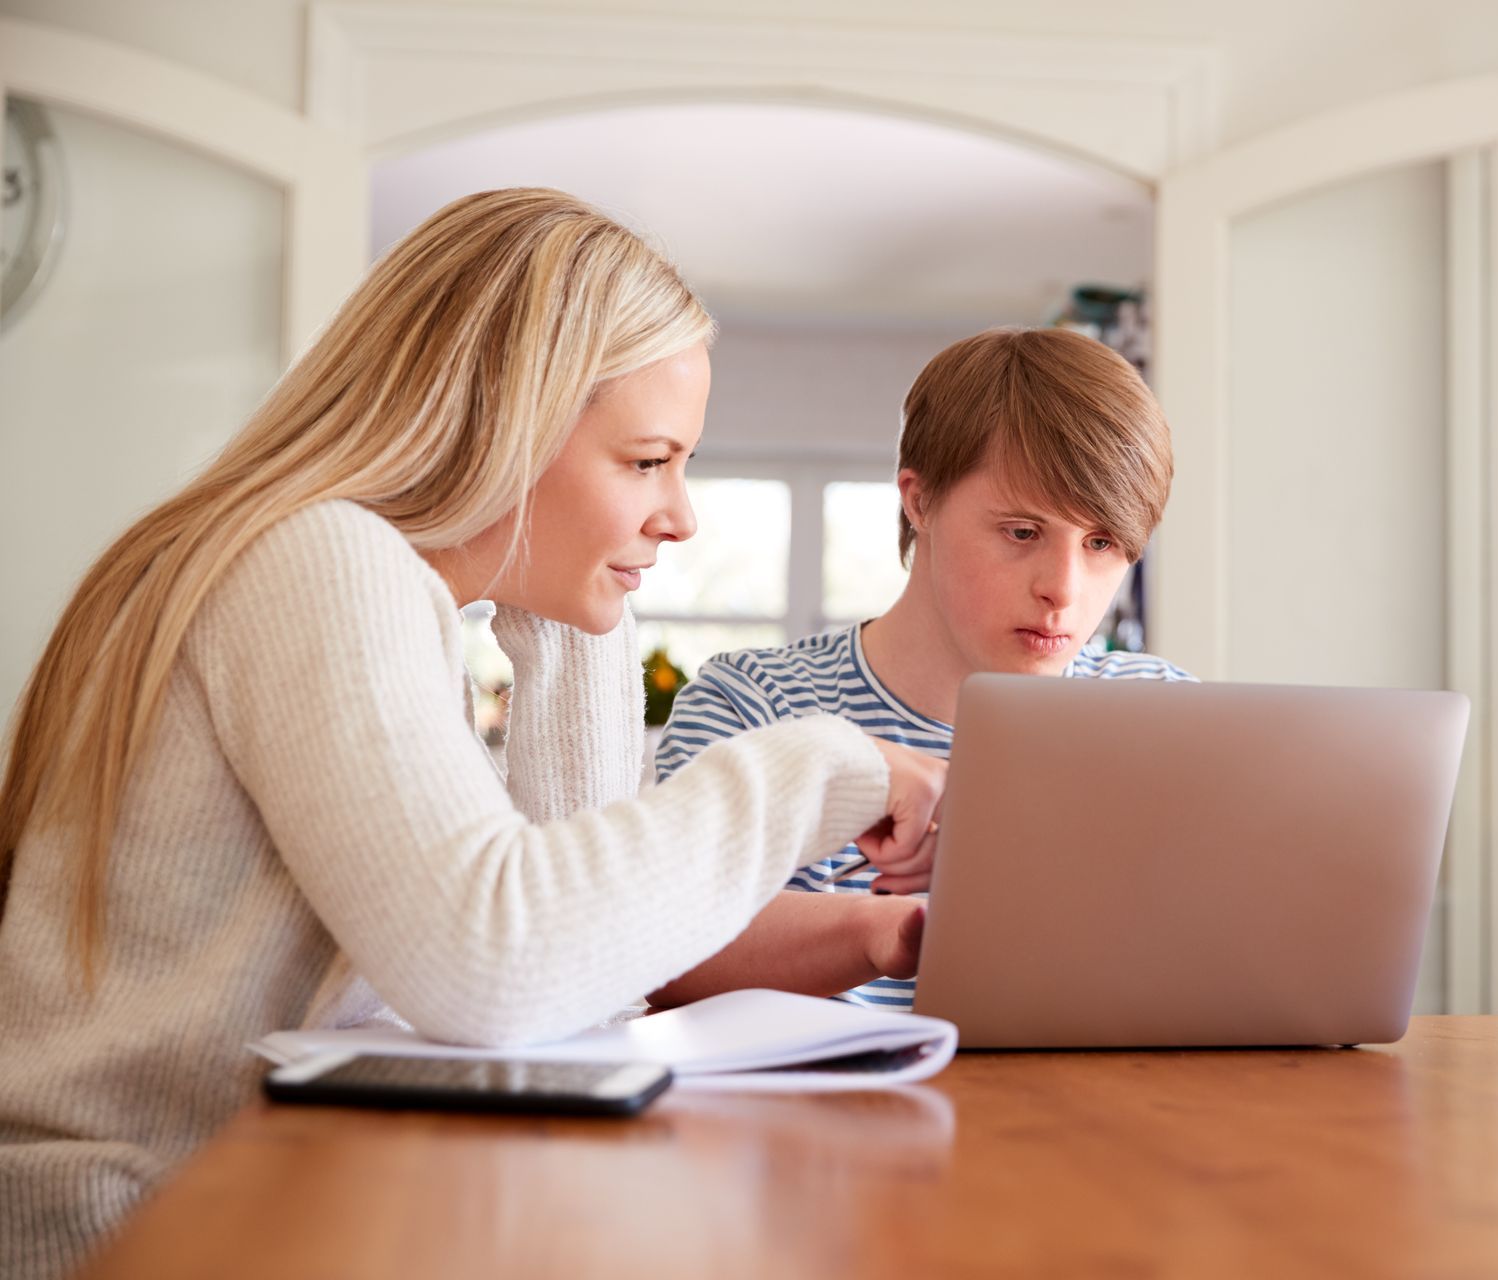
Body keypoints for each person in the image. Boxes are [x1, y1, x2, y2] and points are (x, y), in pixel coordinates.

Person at [0, 188, 945, 1279]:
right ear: (500, 426)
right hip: (127, 1231)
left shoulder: (359, 573)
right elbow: (495, 964)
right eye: (646, 460)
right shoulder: (317, 557)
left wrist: (582, 606)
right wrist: (821, 763)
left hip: (241, 1197)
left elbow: (582, 988)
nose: (681, 513)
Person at [653, 326, 1192, 1010]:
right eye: (1023, 533)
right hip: (832, 1111)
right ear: (919, 499)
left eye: (1103, 543)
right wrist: (912, 928)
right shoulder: (754, 706)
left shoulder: (1166, 716)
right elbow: (665, 955)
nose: (1064, 587)